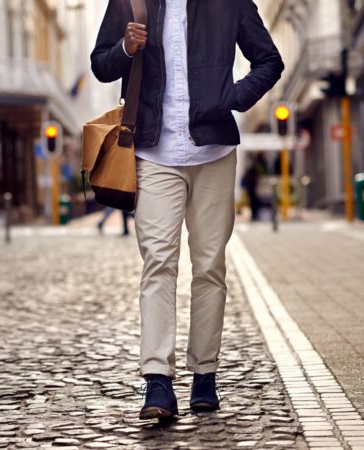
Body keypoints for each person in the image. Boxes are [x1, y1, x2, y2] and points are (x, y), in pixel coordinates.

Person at [91, 0, 283, 420]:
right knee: (158, 262)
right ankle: (157, 381)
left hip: (213, 150)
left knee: (210, 266)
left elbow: (269, 60)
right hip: (153, 152)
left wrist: (234, 97)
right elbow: (101, 65)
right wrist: (125, 48)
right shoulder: (130, 1)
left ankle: (204, 376)